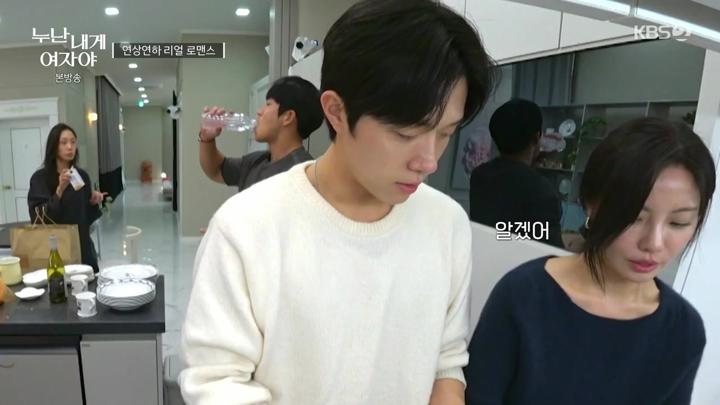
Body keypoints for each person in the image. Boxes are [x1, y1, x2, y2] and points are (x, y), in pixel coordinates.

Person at [179, 1, 494, 404]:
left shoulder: (446, 223)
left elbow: (446, 363)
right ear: (336, 111)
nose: (429, 161)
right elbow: (217, 383)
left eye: (446, 133)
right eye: (405, 134)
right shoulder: (245, 227)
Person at [464, 117, 716, 405]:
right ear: (591, 204)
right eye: (634, 217)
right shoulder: (525, 295)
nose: (654, 243)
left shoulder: (683, 330)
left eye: (678, 222)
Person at [198, 75, 324, 192]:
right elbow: (217, 170)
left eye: (268, 104)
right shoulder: (256, 161)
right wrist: (206, 139)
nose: (259, 111)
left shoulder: (304, 175)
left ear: (288, 117)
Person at [469, 98, 564, 248]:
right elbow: (551, 249)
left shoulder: (480, 175)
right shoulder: (541, 190)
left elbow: (498, 232)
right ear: (536, 136)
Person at [28, 123, 107, 272]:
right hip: (54, 248)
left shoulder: (81, 175)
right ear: (54, 146)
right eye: (64, 143)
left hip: (81, 245)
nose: (70, 147)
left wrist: (92, 202)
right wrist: (59, 190)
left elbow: (85, 218)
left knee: (87, 282)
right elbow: (38, 218)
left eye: (73, 142)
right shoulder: (40, 178)